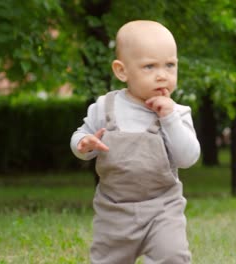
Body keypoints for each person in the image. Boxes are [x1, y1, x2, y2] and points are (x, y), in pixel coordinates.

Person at [70, 20, 200, 264]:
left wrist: (169, 118)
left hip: (163, 208)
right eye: (149, 66)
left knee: (172, 256)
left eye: (170, 65)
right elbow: (81, 136)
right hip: (114, 211)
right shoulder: (105, 107)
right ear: (122, 71)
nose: (162, 75)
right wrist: (83, 143)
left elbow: (188, 158)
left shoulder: (178, 113)